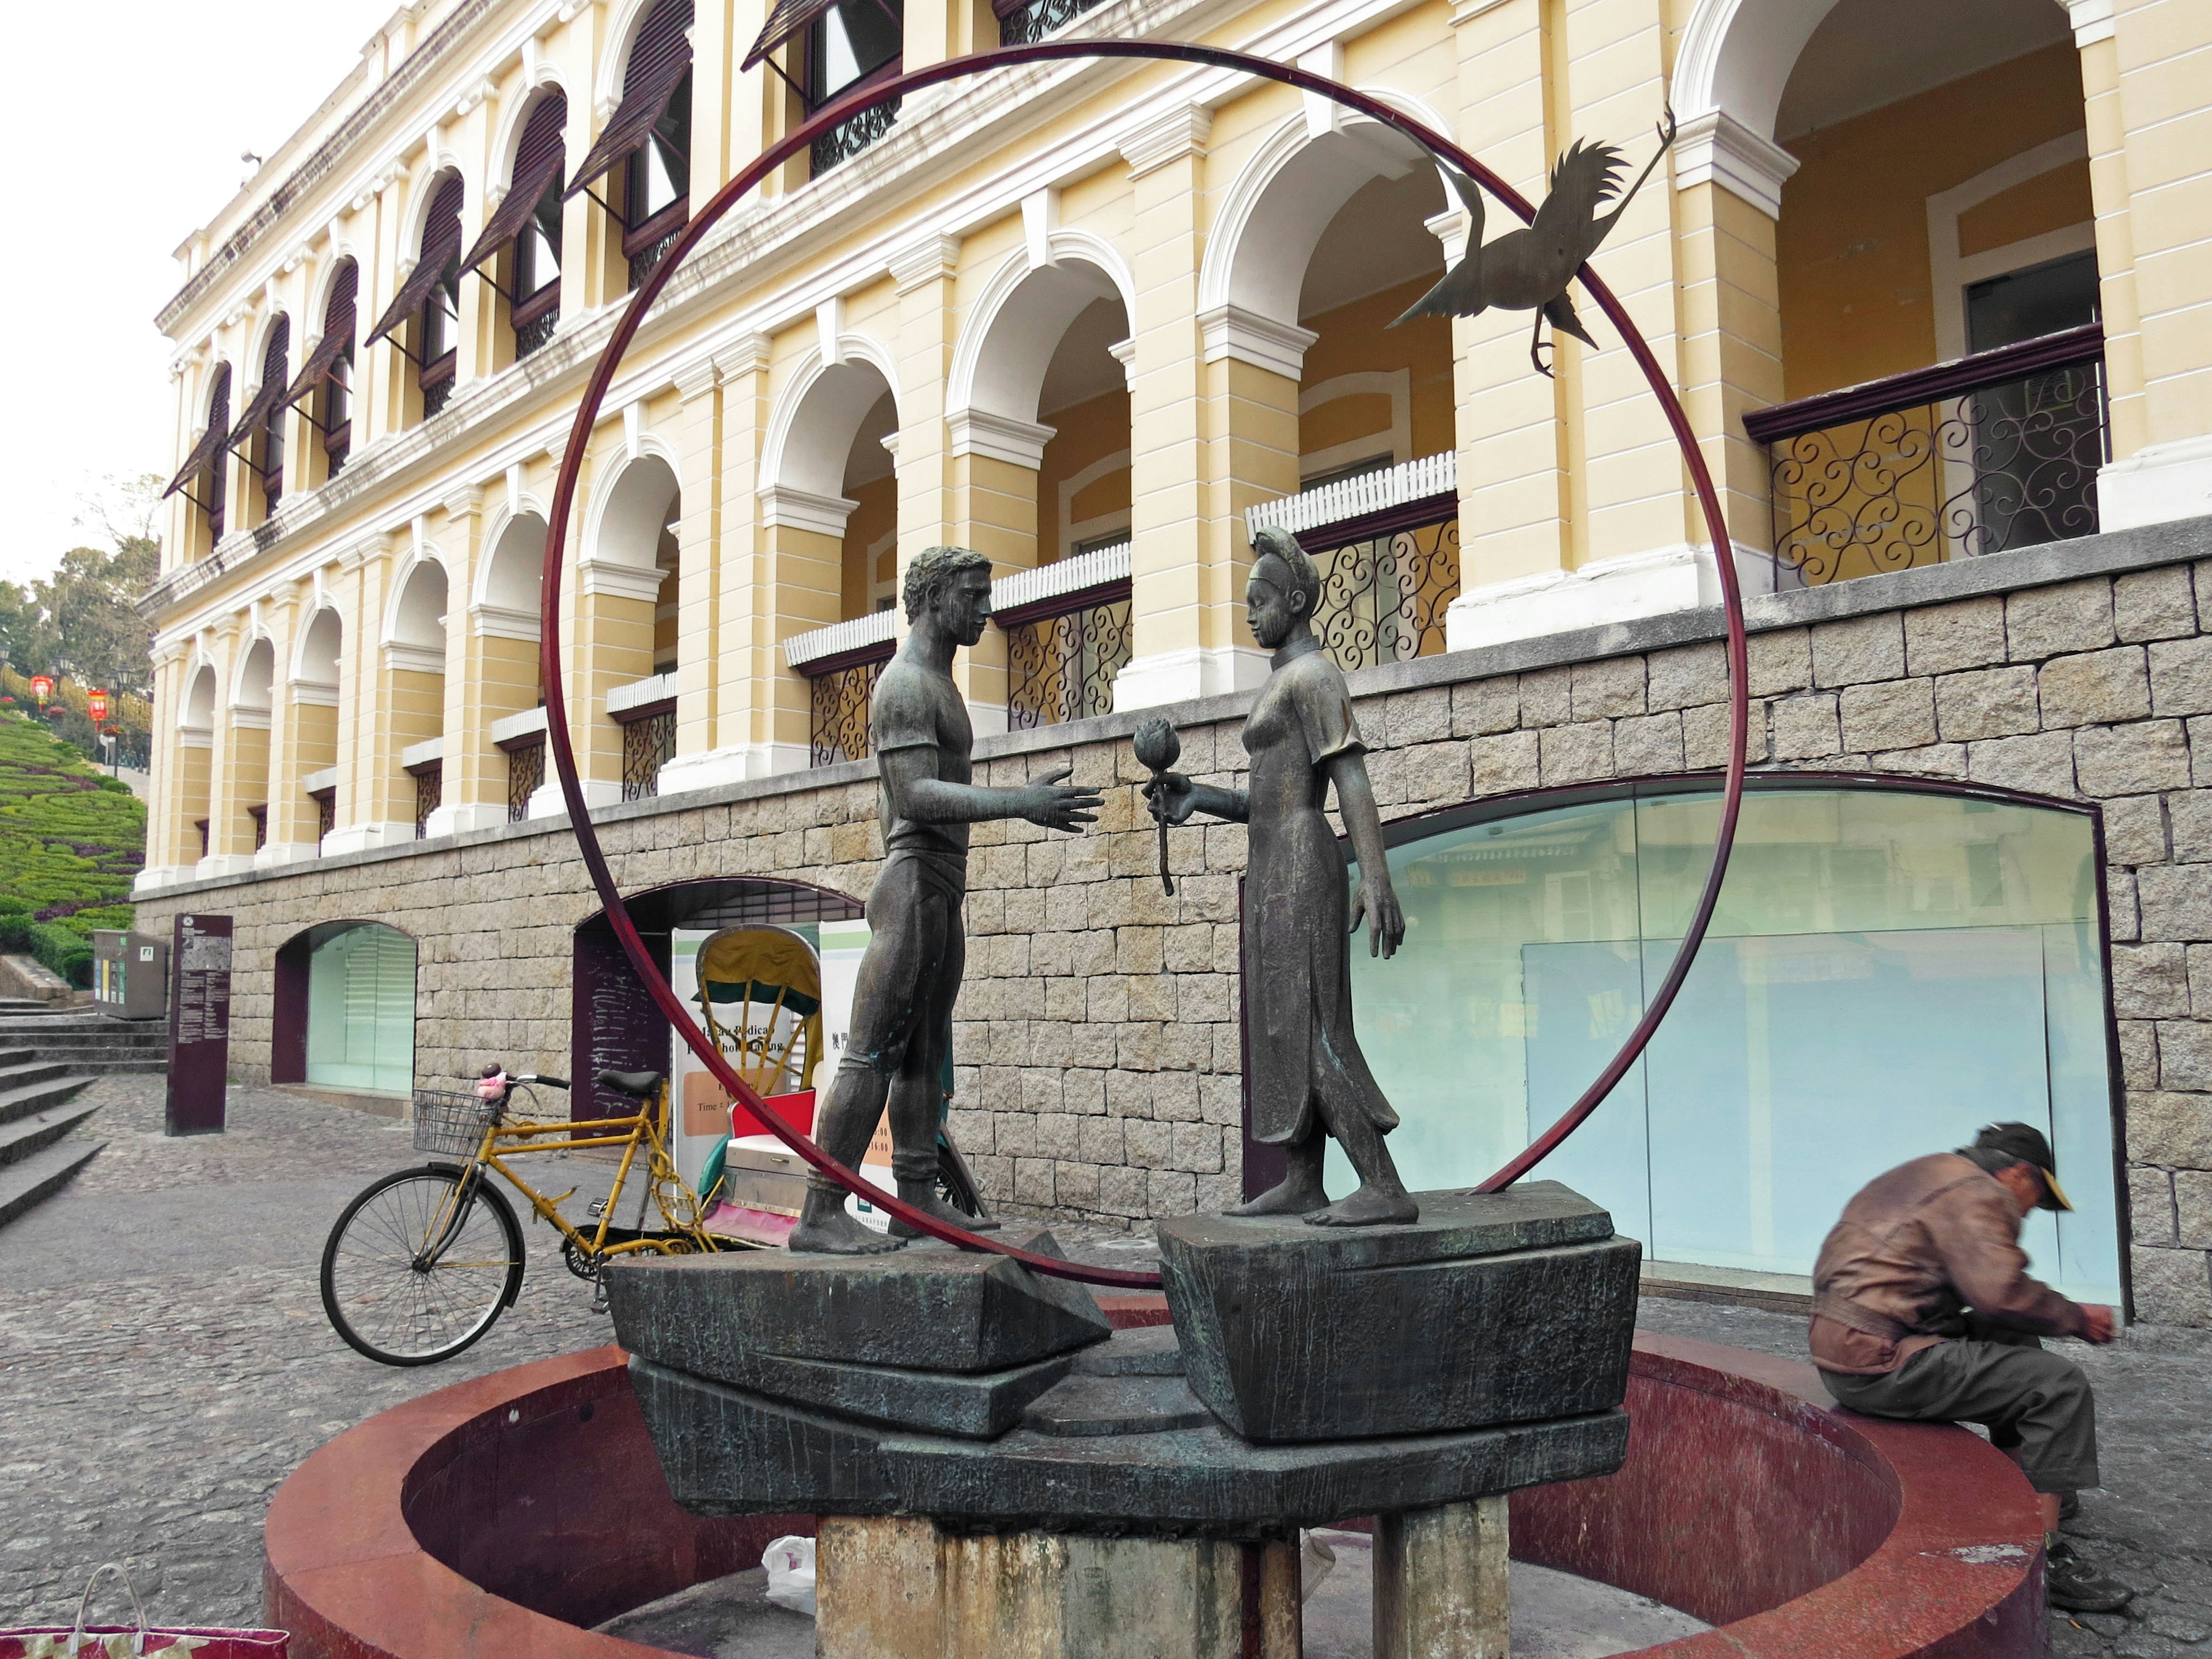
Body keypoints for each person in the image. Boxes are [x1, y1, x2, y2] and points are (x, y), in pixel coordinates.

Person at [787, 546, 1101, 1255]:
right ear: (932, 598)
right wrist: (1022, 801)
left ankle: (917, 1198)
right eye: (973, 595)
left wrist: (1019, 797)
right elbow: (916, 796)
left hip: (940, 887)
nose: (986, 610)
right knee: (871, 1055)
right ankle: (820, 1211)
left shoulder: (939, 683)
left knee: (925, 1055)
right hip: (912, 886)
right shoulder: (905, 686)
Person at [1145, 527, 1416, 1226]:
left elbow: (1348, 774)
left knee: (1312, 1025)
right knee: (1281, 1028)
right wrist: (1197, 797)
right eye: (1247, 603)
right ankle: (1304, 1180)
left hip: (1300, 863)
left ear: (1295, 601)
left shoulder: (1315, 676)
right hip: (1272, 859)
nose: (1250, 614)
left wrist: (1376, 875)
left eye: (1260, 601)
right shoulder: (1282, 680)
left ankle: (1381, 1184)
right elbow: (1266, 803)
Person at [1810, 1122, 2131, 1615]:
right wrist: (2077, 1318)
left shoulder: (1931, 1173)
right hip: (1880, 1365)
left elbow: (1986, 1301)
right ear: (2020, 1174)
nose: (2030, 1210)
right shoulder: (1980, 1192)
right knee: (2057, 1384)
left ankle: (2029, 1487)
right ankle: (2046, 1555)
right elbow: (1999, 1291)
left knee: (2011, 1335)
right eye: (2037, 1198)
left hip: (1847, 1348)